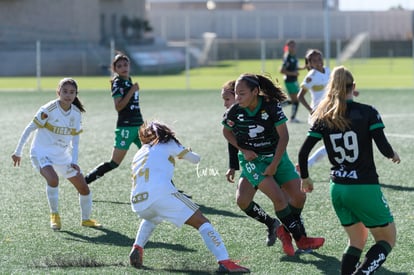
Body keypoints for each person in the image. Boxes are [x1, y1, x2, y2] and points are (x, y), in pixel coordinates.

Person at [298, 66, 400, 275]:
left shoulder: (324, 116)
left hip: (338, 188)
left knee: (356, 240)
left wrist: (305, 179)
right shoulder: (367, 112)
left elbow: (303, 152)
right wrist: (392, 155)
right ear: (353, 87)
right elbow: (382, 145)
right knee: (387, 239)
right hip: (363, 186)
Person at [222, 73, 325, 256]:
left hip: (277, 156)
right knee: (278, 199)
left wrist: (275, 164)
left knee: (299, 196)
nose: (237, 98)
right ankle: (301, 239)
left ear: (255, 91)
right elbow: (227, 132)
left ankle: (284, 229)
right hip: (253, 162)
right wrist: (243, 151)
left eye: (242, 93)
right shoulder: (235, 111)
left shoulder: (270, 106)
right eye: (236, 94)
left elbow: (284, 136)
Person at [129, 121, 250, 273]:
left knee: (151, 216)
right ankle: (225, 262)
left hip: (137, 202)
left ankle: (137, 247)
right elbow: (195, 159)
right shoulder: (167, 142)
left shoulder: (140, 152)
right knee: (202, 222)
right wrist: (186, 151)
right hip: (160, 194)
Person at [11, 78, 101, 230]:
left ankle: (86, 219)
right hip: (41, 152)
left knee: (84, 188)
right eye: (65, 91)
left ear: (76, 94)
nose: (68, 95)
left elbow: (76, 140)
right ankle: (54, 215)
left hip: (61, 155)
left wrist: (74, 161)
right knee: (53, 179)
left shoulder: (76, 113)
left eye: (72, 92)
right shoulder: (48, 109)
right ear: (58, 92)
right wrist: (18, 151)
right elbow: (29, 128)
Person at [221, 80, 281, 247]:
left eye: (227, 99)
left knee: (285, 199)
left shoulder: (260, 108)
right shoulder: (233, 115)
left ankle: (297, 233)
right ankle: (271, 223)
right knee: (242, 201)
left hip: (271, 158)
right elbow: (232, 141)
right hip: (250, 161)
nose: (225, 104)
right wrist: (233, 165)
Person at [84, 53, 143, 184]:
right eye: (119, 66)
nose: (123, 68)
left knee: (153, 156)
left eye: (125, 64)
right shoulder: (118, 83)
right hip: (126, 128)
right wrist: (132, 90)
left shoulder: (129, 80)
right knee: (115, 163)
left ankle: (168, 188)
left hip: (139, 126)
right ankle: (85, 181)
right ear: (115, 69)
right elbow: (119, 107)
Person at [297, 49, 331, 169]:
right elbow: (300, 96)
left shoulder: (328, 71)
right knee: (331, 143)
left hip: (330, 113)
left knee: (332, 143)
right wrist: (311, 110)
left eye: (320, 59)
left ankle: (305, 165)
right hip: (319, 115)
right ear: (309, 63)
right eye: (315, 60)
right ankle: (305, 165)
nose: (318, 62)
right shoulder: (311, 76)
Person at [280, 40, 305, 123]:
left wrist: (304, 67)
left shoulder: (294, 56)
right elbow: (282, 70)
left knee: (295, 100)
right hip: (289, 81)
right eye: (291, 46)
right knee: (296, 99)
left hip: (294, 80)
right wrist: (293, 73)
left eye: (294, 46)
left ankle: (279, 106)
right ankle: (292, 117)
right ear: (287, 47)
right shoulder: (287, 57)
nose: (293, 47)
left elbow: (295, 67)